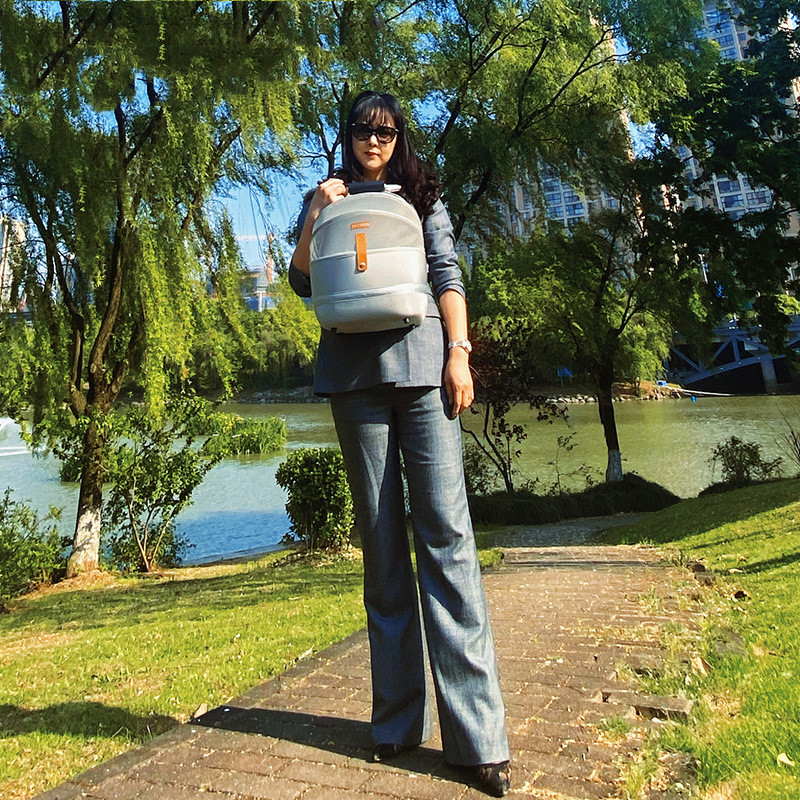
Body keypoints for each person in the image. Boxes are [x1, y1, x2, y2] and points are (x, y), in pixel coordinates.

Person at [289, 91, 510, 797]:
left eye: (385, 132)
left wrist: (459, 354)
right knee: (382, 547)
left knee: (447, 537)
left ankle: (478, 741)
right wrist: (315, 213)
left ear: (399, 138)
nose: (373, 141)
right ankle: (395, 724)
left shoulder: (422, 197)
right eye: (363, 130)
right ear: (348, 135)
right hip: (354, 383)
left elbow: (447, 275)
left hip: (423, 376)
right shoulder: (324, 197)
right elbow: (301, 280)